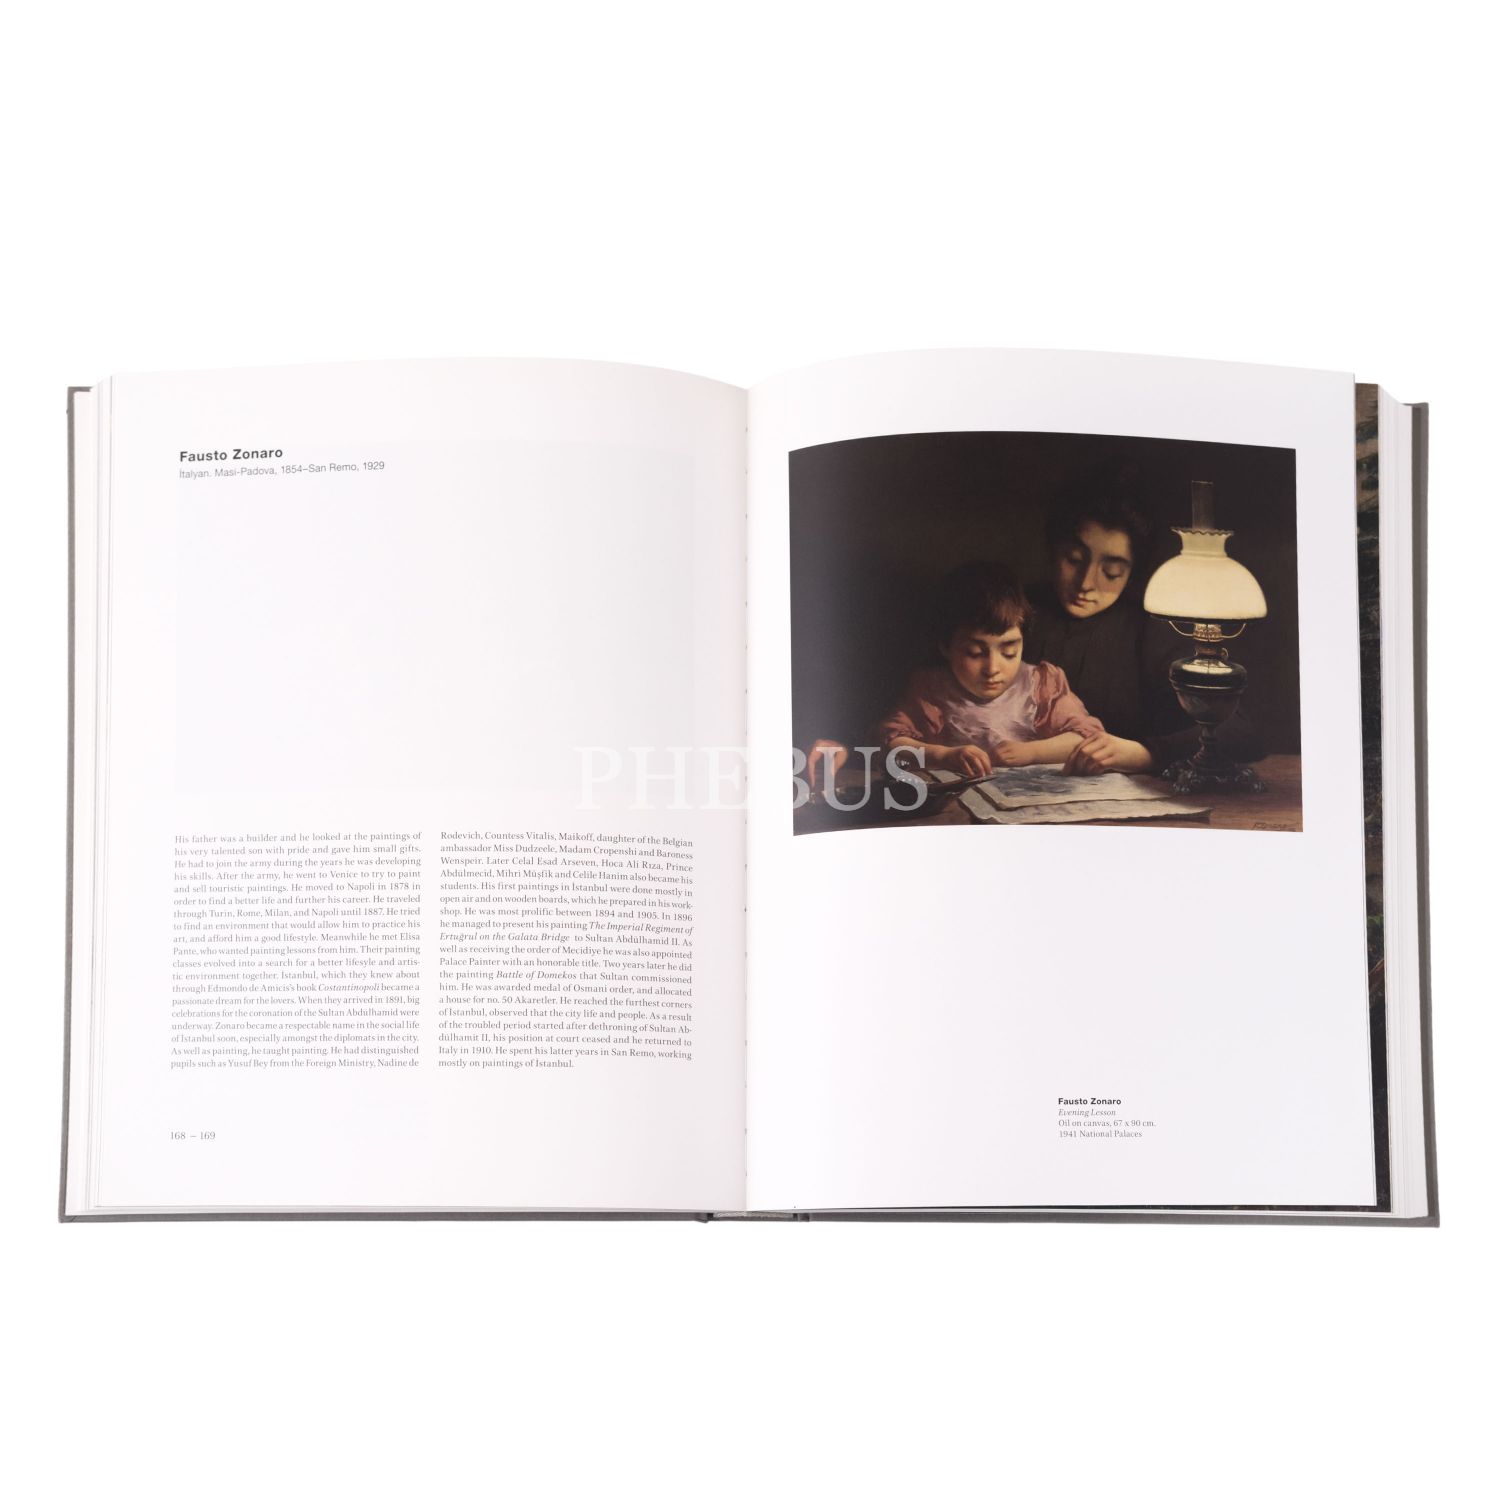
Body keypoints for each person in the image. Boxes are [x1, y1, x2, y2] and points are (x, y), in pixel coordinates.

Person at [1025, 475, 1263, 776]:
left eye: (1111, 571)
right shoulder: (1019, 611)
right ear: (1053, 551)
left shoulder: (1148, 630)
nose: (1086, 583)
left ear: (1132, 572)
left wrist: (1144, 754)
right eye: (1073, 559)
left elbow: (1241, 733)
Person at [875, 560, 1103, 777]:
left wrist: (1032, 752)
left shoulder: (1042, 685)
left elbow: (1088, 739)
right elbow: (888, 743)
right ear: (946, 647)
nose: (993, 668)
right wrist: (942, 756)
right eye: (975, 653)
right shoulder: (931, 689)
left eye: (1009, 652)